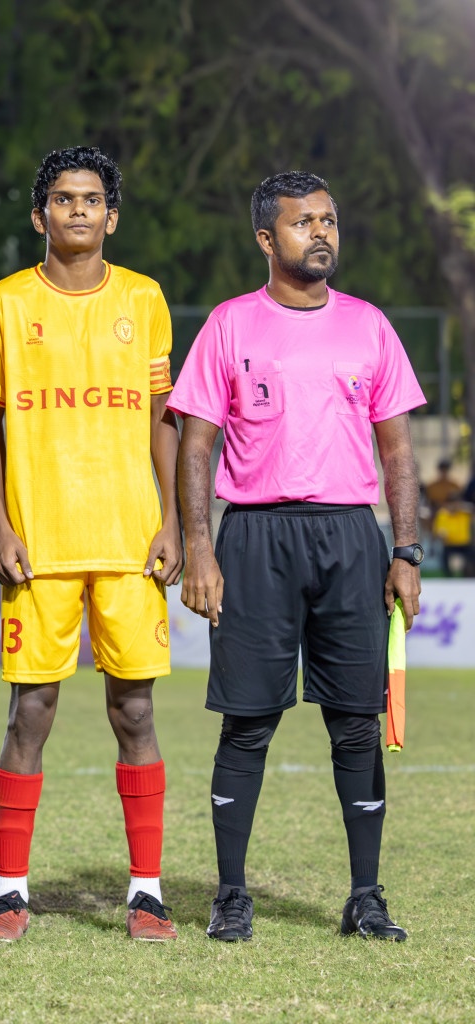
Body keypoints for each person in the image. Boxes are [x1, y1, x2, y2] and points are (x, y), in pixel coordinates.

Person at [171, 171, 425, 943]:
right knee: (247, 723)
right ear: (265, 239)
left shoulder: (370, 326)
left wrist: (406, 549)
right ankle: (231, 894)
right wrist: (199, 548)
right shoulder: (229, 325)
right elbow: (195, 446)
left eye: (329, 220)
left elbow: (400, 453)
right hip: (253, 537)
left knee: (356, 722)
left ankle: (366, 897)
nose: (320, 233)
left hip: (351, 536)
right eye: (302, 222)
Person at [0, 147, 182, 943]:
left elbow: (164, 415)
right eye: (62, 199)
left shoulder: (145, 298)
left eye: (92, 199)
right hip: (42, 541)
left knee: (135, 708)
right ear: (40, 216)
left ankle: (148, 893)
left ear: (112, 215)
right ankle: (9, 891)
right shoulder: (5, 303)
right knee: (32, 711)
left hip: (130, 540)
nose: (78, 211)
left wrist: (172, 522)